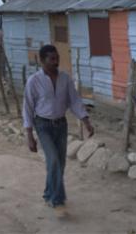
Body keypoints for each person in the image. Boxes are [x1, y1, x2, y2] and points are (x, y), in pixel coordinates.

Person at [23, 44, 94, 218]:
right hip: (43, 125)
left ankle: (49, 193)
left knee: (59, 164)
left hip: (61, 125)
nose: (56, 62)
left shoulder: (65, 79)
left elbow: (74, 101)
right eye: (52, 59)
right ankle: (58, 201)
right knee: (53, 160)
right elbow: (27, 107)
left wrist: (86, 121)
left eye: (57, 58)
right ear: (42, 60)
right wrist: (29, 135)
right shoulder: (34, 81)